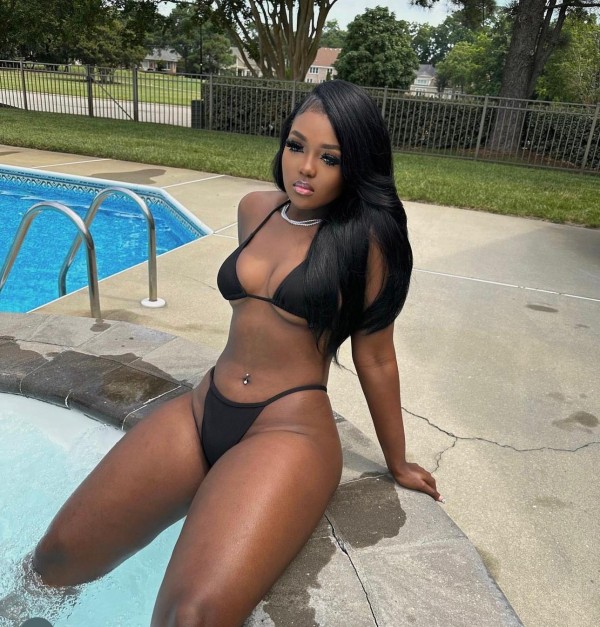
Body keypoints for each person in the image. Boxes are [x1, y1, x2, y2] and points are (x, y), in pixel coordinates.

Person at [30, 80, 442, 625]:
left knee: (190, 618)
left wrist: (397, 461)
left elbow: (377, 358)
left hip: (289, 431)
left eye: (330, 157)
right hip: (203, 409)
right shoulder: (257, 210)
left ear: (357, 164)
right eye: (296, 146)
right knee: (54, 557)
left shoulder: (366, 242)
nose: (306, 168)